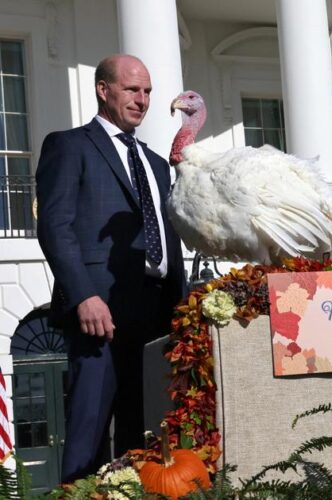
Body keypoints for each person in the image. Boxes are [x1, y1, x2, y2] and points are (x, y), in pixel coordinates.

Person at [36, 54, 186, 482]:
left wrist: (180, 307)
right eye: (132, 89)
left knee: (145, 434)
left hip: (155, 313)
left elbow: (167, 236)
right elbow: (55, 225)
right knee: (90, 430)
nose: (142, 100)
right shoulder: (69, 145)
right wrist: (83, 294)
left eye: (148, 91)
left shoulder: (157, 164)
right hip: (98, 312)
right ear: (104, 90)